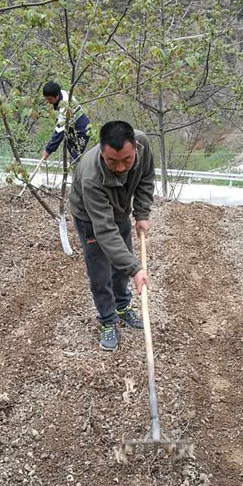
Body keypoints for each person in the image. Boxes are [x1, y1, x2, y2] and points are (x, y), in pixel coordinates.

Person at [69, 120, 155, 351]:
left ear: (135, 148)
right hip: (90, 217)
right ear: (101, 151)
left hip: (120, 209)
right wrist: (136, 269)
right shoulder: (91, 177)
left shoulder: (143, 144)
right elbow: (105, 231)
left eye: (127, 160)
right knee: (100, 271)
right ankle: (108, 320)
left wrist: (142, 213)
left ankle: (122, 306)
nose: (120, 167)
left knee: (121, 260)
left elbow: (146, 178)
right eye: (112, 161)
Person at [40, 81, 91, 164]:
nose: (48, 102)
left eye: (50, 99)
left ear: (57, 96)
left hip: (81, 131)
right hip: (72, 130)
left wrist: (48, 150)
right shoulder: (61, 93)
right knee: (72, 159)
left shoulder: (65, 106)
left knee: (75, 161)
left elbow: (59, 132)